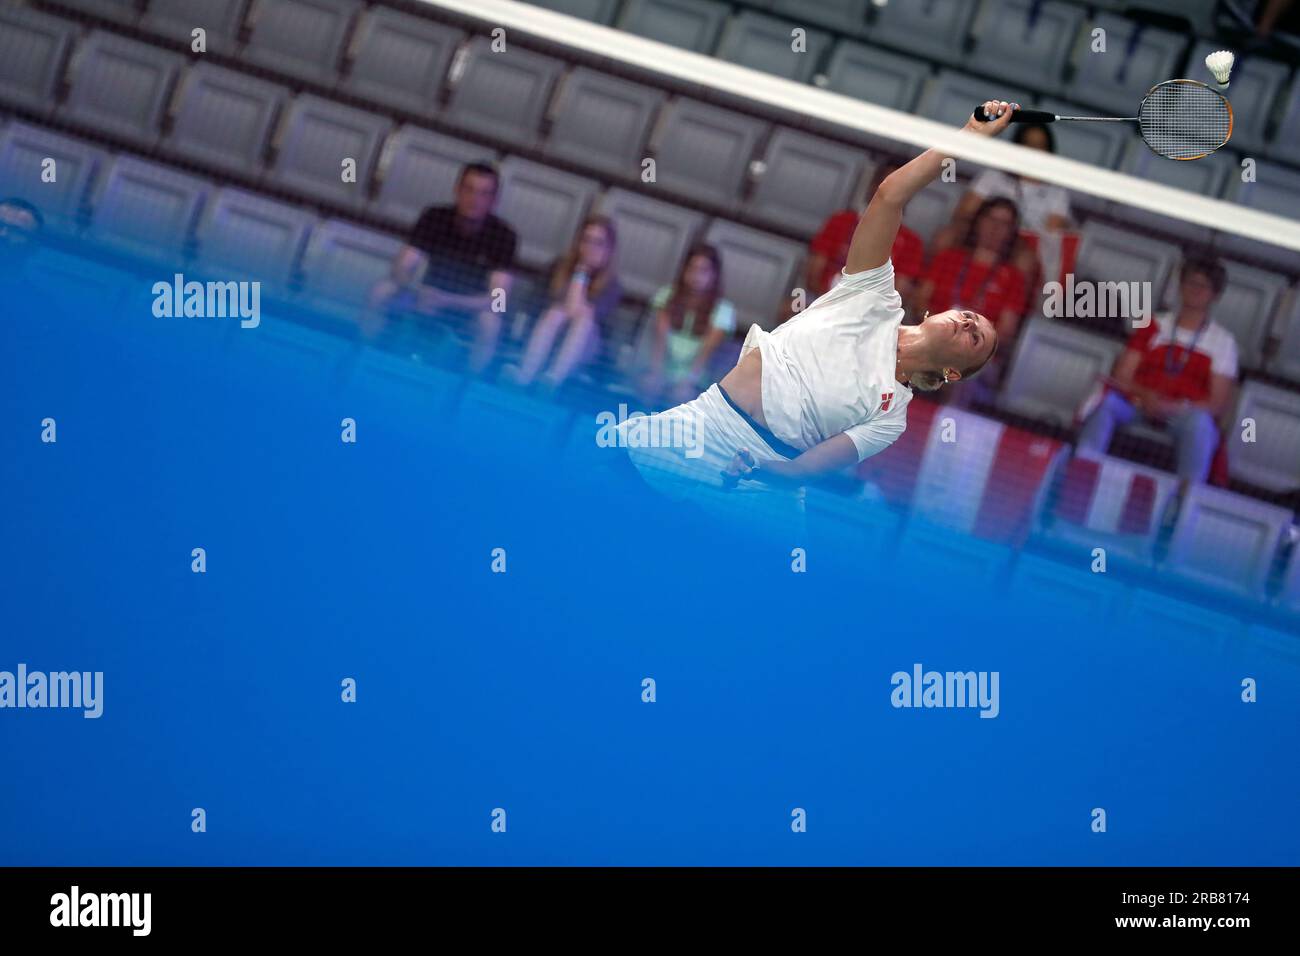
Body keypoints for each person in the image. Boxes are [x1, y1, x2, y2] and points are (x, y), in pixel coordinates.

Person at [611, 101, 1013, 505]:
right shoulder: (874, 295)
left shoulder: (891, 417)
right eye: (968, 315)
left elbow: (803, 469)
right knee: (594, 498)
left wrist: (768, 472)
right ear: (934, 311)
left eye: (975, 337)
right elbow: (889, 197)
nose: (967, 323)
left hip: (755, 478)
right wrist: (969, 138)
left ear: (952, 373)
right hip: (701, 423)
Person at [1076, 255, 1238, 486]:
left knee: (1201, 426)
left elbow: (1216, 404)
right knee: (1105, 404)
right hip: (1139, 403)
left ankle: (1185, 499)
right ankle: (1081, 479)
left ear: (1215, 295)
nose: (1196, 290)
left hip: (1183, 413)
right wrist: (1145, 396)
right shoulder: (1152, 324)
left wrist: (1175, 407)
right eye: (1191, 282)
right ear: (1181, 286)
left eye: (1204, 286)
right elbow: (1123, 376)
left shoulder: (1223, 342)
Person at [368, 162, 517, 372]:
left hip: (468, 310)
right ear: (456, 190)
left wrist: (448, 301)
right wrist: (416, 290)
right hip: (424, 297)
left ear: (494, 201)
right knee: (381, 291)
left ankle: (468, 387)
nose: (475, 199)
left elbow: (499, 301)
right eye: (469, 189)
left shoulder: (504, 236)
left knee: (490, 325)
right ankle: (365, 358)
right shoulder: (434, 217)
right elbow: (402, 266)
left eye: (484, 194)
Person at [915, 195, 1028, 402]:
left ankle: (942, 427)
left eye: (1004, 224)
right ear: (978, 221)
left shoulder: (1014, 278)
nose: (995, 228)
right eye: (991, 219)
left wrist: (969, 346)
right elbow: (921, 300)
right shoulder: (948, 258)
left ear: (1011, 233)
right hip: (931, 338)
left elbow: (1005, 332)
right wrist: (938, 333)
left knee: (963, 374)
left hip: (977, 354)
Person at [933, 123, 1070, 283]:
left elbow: (1050, 240)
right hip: (979, 237)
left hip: (1017, 247)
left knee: (1025, 261)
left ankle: (1015, 305)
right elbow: (963, 214)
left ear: (1048, 151)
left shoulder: (1057, 193)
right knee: (945, 237)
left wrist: (1009, 238)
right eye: (1028, 144)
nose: (1034, 150)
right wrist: (987, 232)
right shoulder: (992, 177)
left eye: (1040, 145)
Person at [504, 216, 622, 390]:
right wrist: (579, 271)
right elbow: (539, 305)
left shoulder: (612, 285)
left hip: (586, 348)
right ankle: (525, 374)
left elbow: (583, 313)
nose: (590, 248)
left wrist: (581, 273)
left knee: (583, 320)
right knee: (556, 313)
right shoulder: (558, 268)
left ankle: (552, 379)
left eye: (598, 243)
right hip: (547, 334)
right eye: (586, 240)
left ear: (609, 249)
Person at [802, 162, 925, 313]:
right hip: (822, 302)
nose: (891, 193)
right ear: (873, 185)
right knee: (791, 308)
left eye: (900, 186)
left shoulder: (912, 243)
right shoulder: (841, 221)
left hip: (870, 316)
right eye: (886, 184)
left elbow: (896, 295)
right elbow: (813, 274)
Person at [638, 244, 736, 405]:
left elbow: (704, 357)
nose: (696, 275)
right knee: (650, 385)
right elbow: (658, 343)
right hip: (662, 369)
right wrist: (655, 373)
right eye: (692, 268)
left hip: (699, 380)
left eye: (703, 271)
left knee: (683, 395)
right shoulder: (666, 296)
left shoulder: (723, 311)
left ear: (714, 275)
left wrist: (688, 382)